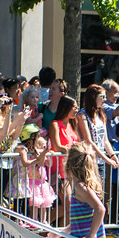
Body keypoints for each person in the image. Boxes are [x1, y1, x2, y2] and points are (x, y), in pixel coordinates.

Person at [7, 124, 57, 222]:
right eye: (36, 137)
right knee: (18, 202)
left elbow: (40, 161)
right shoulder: (22, 148)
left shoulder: (30, 149)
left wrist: (44, 153)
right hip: (18, 178)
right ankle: (17, 220)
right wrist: (37, 160)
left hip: (24, 179)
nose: (38, 139)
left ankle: (21, 220)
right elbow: (25, 163)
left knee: (23, 202)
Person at [47, 95, 81, 226]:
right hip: (59, 171)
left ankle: (61, 236)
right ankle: (43, 225)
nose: (76, 109)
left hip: (71, 171)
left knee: (69, 207)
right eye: (74, 107)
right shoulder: (55, 124)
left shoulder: (72, 126)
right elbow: (57, 146)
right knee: (68, 204)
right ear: (66, 108)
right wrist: (75, 151)